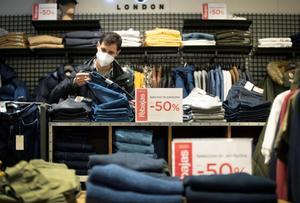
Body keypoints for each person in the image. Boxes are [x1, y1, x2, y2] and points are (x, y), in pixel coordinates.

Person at [48, 32, 134, 104]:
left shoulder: (125, 78)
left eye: (110, 52)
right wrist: (72, 83)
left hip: (114, 120)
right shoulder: (80, 71)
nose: (105, 55)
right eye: (103, 50)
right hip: (87, 122)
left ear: (117, 52)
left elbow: (132, 105)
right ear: (98, 46)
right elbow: (53, 98)